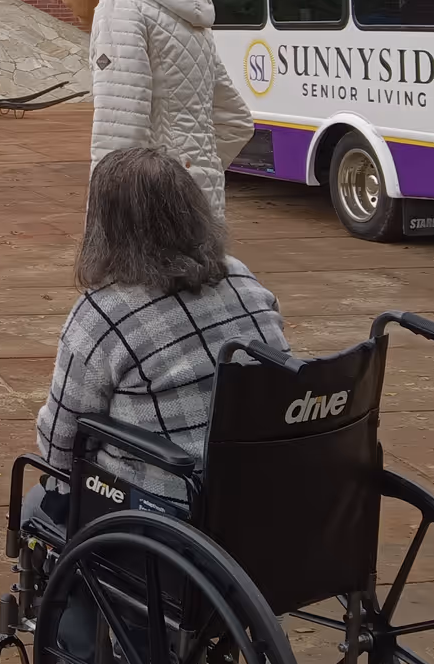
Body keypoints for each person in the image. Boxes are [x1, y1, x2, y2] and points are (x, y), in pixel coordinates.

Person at [35, 146, 288, 510]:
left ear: (105, 226)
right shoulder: (240, 275)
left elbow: (61, 439)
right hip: (263, 492)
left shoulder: (103, 311)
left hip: (168, 509)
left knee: (36, 506)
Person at [89, 0, 254, 218]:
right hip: (205, 198)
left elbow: (121, 132)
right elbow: (237, 121)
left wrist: (103, 222)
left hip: (153, 212)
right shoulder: (191, 18)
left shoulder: (119, 8)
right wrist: (196, 169)